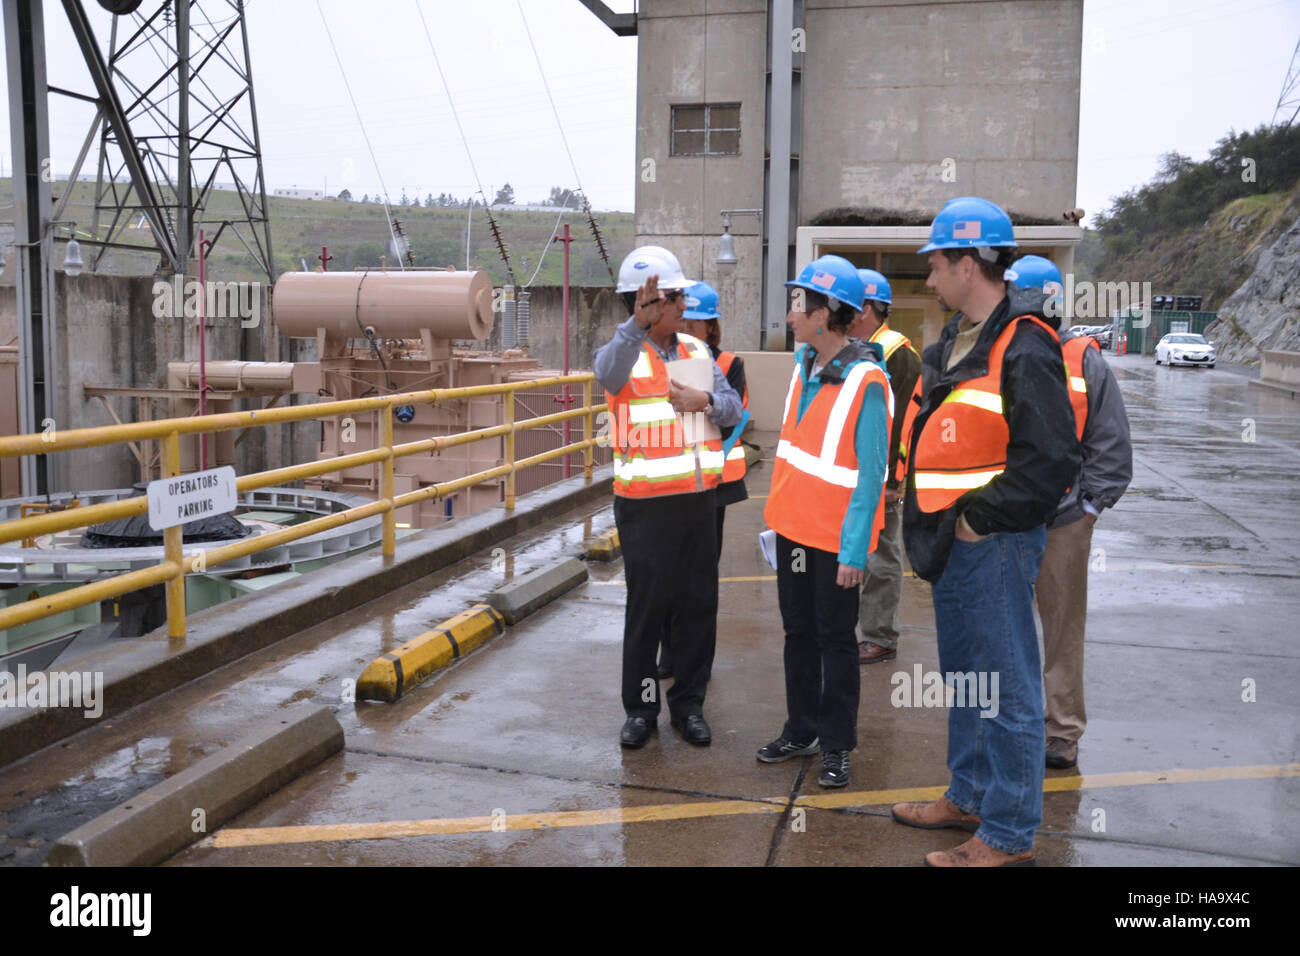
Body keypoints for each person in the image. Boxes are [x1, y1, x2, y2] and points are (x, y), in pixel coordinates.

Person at [889, 197, 1081, 866]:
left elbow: (1052, 458)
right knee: (969, 681)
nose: (931, 278)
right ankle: (968, 795)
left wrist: (978, 517)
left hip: (989, 543)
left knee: (1007, 690)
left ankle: (1006, 832)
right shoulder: (957, 343)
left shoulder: (1023, 344)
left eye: (937, 264)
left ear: (968, 264)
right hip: (951, 544)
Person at [593, 246, 743, 749]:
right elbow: (604, 374)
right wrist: (633, 326)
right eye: (676, 296)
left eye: (680, 295)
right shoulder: (623, 353)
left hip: (699, 501)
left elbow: (731, 408)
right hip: (646, 506)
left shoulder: (697, 352)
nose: (685, 303)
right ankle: (640, 711)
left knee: (699, 606)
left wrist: (706, 401)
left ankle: (690, 707)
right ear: (647, 301)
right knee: (648, 611)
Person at [758, 255, 891, 789]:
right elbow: (792, 453)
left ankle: (836, 745)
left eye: (799, 304)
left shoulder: (869, 382)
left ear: (827, 312)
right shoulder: (802, 368)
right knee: (798, 634)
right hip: (791, 531)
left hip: (836, 543)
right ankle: (801, 729)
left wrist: (855, 552)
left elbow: (871, 475)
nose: (791, 316)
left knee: (836, 642)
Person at [1006, 255, 1132, 770]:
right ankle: (1012, 719)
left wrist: (1087, 507)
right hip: (1005, 519)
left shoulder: (1082, 358)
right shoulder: (995, 357)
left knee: (1060, 627)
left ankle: (1061, 731)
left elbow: (1111, 444)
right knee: (1005, 626)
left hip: (1061, 519)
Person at [657, 281, 751, 680]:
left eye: (697, 322)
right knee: (666, 574)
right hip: (669, 482)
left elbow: (736, 416)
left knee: (701, 579)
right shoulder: (659, 358)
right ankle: (668, 654)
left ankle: (696, 661)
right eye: (685, 319)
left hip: (714, 482)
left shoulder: (728, 363)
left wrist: (705, 413)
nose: (689, 328)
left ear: (711, 326)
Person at [847, 269, 921, 665]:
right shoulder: (854, 347)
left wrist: (894, 478)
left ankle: (880, 636)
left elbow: (906, 420)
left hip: (881, 476)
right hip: (851, 471)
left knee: (881, 557)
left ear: (869, 308)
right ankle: (858, 631)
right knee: (854, 552)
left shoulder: (896, 352)